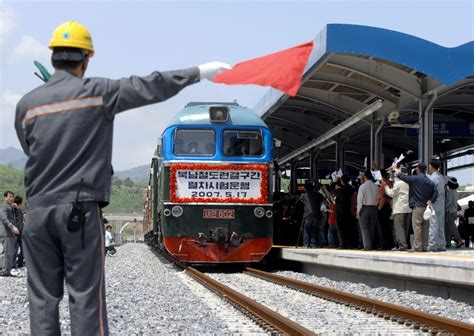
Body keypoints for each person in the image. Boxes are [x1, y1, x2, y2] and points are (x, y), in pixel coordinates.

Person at [14, 20, 230, 336]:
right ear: (86, 58)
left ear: (52, 58)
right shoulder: (99, 93)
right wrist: (198, 72)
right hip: (79, 212)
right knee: (85, 297)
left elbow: (30, 148)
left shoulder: (26, 105)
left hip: (37, 212)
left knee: (43, 300)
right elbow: (152, 85)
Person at [393, 163, 437, 252]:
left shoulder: (415, 179)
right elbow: (436, 192)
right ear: (425, 170)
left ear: (417, 169)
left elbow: (402, 177)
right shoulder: (430, 182)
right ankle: (424, 247)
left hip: (417, 207)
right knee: (425, 228)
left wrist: (395, 169)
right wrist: (431, 200)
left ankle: (417, 247)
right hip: (427, 208)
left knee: (417, 227)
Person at [383, 166, 411, 251]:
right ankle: (405, 244)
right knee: (405, 228)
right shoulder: (409, 182)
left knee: (399, 228)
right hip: (408, 208)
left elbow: (391, 193)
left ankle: (402, 245)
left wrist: (386, 187)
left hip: (399, 208)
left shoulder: (399, 183)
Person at [356, 170, 379, 250]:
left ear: (365, 177)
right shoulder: (376, 186)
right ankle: (371, 245)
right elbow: (378, 198)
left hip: (364, 208)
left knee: (364, 228)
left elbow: (360, 200)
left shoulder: (362, 186)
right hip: (374, 208)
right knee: (371, 227)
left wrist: (358, 210)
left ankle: (367, 246)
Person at [427, 159, 446, 251]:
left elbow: (430, 190)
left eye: (429, 165)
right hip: (441, 203)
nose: (428, 167)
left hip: (433, 203)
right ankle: (442, 244)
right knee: (440, 224)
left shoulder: (432, 178)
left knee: (433, 224)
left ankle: (432, 245)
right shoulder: (441, 177)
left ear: (431, 166)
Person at [0, 191, 20, 276]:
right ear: (5, 197)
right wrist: (12, 227)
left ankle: (6, 270)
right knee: (7, 252)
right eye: (10, 196)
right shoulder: (4, 207)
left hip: (10, 233)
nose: (11, 198)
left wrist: (16, 208)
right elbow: (4, 218)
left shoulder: (11, 207)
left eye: (12, 197)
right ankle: (5, 270)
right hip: (6, 232)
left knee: (10, 252)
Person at [444, 177, 464, 248]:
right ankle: (447, 242)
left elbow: (449, 202)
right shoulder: (455, 192)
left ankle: (459, 240)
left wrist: (443, 207)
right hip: (454, 211)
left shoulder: (451, 192)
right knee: (448, 228)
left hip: (450, 211)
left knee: (452, 228)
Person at [12, 195, 25, 269]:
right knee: (15, 249)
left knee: (23, 248)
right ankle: (13, 265)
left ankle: (19, 263)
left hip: (20, 232)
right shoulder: (13, 208)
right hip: (15, 231)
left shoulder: (19, 210)